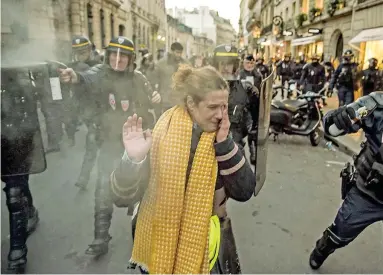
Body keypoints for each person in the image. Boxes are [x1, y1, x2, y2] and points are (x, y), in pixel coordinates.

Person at [110, 64, 256, 274]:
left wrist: (224, 145)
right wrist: (132, 160)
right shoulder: (161, 134)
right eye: (213, 107)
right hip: (157, 242)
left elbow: (244, 192)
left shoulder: (224, 136)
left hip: (205, 250)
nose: (220, 114)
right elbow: (120, 197)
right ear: (191, 103)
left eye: (224, 106)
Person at [58, 36, 161, 257]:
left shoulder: (139, 78)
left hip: (137, 143)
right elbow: (85, 78)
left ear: (130, 59)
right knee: (103, 188)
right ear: (107, 56)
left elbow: (152, 98)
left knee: (142, 190)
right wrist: (74, 76)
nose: (117, 60)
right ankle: (101, 237)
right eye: (113, 54)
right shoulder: (99, 73)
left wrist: (156, 98)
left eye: (123, 56)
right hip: (110, 141)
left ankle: (143, 236)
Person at [309, 76, 383, 273]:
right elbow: (332, 126)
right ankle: (322, 249)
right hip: (368, 194)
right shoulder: (380, 105)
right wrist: (341, 116)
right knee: (338, 235)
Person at [1, 67, 42, 274]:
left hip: (16, 139)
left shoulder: (18, 74)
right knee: (18, 187)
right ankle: (31, 209)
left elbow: (34, 103)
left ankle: (17, 251)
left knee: (14, 193)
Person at [69, 35, 103, 189]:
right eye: (78, 51)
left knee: (95, 145)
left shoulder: (99, 66)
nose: (80, 54)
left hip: (101, 112)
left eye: (83, 51)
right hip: (86, 112)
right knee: (92, 144)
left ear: (89, 50)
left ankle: (86, 178)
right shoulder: (73, 67)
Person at [237, 53, 261, 163]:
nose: (250, 65)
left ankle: (253, 152)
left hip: (254, 106)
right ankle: (240, 154)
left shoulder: (258, 75)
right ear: (243, 63)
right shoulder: (239, 74)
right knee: (239, 131)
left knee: (253, 132)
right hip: (242, 106)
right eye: (247, 62)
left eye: (252, 63)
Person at [152, 42, 189, 113]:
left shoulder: (185, 63)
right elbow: (155, 80)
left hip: (181, 100)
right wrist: (157, 94)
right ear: (171, 51)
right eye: (177, 52)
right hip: (166, 100)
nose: (179, 55)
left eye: (180, 53)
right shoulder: (161, 64)